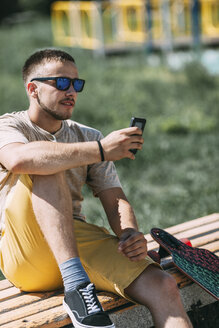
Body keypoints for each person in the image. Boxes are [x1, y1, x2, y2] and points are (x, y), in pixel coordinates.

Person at [0, 49, 192, 328]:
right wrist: (100, 150)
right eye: (62, 83)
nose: (72, 91)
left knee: (163, 285)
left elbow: (114, 197)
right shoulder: (8, 125)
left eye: (77, 84)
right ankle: (77, 287)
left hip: (76, 240)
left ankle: (78, 281)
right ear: (33, 89)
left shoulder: (87, 135)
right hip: (27, 252)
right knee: (47, 162)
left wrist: (128, 233)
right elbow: (19, 159)